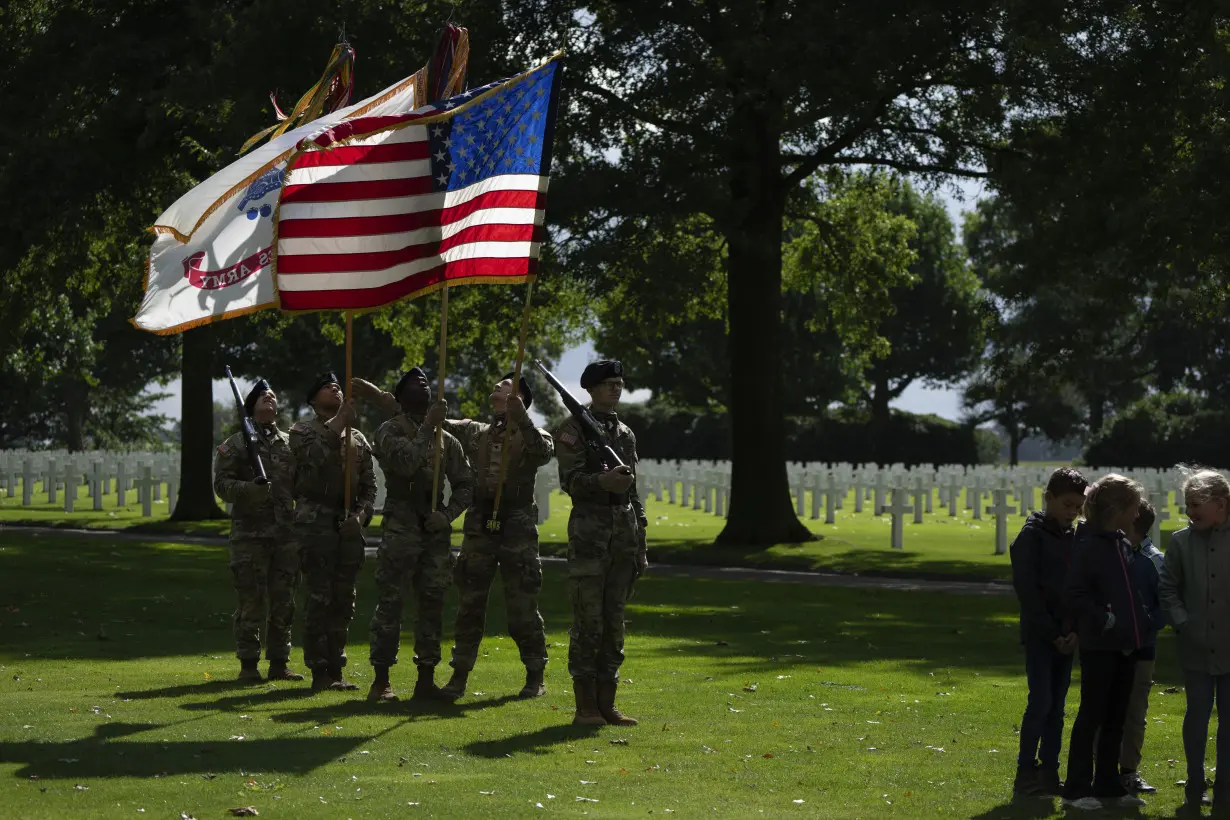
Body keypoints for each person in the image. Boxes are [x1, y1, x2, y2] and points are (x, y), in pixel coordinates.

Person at [438, 373, 554, 701]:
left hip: (516, 524)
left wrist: (523, 419)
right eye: (497, 385)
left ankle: (535, 674)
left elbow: (543, 452)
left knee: (522, 603)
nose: (496, 387)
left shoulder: (536, 433)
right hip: (480, 522)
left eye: (505, 385)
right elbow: (440, 423)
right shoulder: (478, 432)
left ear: (520, 398)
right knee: (470, 601)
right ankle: (459, 675)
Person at [367, 368, 474, 702]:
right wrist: (428, 425)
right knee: (391, 604)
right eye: (414, 383)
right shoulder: (389, 430)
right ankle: (381, 680)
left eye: (426, 382)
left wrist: (447, 516)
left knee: (432, 604)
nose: (422, 384)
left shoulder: (449, 440)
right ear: (399, 397)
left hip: (434, 529)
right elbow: (405, 464)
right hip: (401, 524)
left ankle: (425, 678)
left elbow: (466, 485)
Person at [553, 360, 648, 726]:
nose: (615, 389)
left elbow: (634, 490)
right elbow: (570, 480)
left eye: (619, 383)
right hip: (590, 533)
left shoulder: (624, 433)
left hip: (623, 535)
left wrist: (641, 541)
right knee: (588, 621)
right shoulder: (574, 428)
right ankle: (586, 706)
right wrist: (602, 483)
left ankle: (608, 702)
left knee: (614, 622)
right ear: (591, 389)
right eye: (607, 383)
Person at [1061, 474, 1150, 811]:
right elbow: (1074, 594)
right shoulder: (1089, 546)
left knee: (1116, 716)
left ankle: (1107, 783)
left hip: (1126, 644)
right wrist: (1104, 618)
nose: (1138, 512)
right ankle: (1076, 788)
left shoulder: (1122, 543)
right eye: (1134, 506)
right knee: (1092, 715)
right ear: (1117, 509)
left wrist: (1140, 621)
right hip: (1100, 645)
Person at [289, 373, 377, 692]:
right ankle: (319, 669)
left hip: (348, 524)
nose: (335, 389)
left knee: (343, 599)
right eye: (327, 386)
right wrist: (339, 421)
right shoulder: (301, 431)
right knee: (318, 597)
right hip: (315, 521)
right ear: (314, 399)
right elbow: (311, 459)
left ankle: (337, 667)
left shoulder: (359, 438)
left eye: (338, 386)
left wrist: (362, 514)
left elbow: (369, 484)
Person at [212, 378, 302, 683]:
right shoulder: (236, 444)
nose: (270, 399)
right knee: (251, 601)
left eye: (274, 396)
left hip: (285, 535)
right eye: (264, 396)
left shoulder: (290, 443)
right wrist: (251, 489)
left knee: (283, 601)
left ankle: (280, 661)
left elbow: (302, 485)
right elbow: (221, 485)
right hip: (249, 535)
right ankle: (248, 664)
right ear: (251, 406)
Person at [1010, 467, 1088, 797]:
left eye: (1078, 507)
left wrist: (1075, 631)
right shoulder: (1031, 536)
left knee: (1057, 707)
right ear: (1049, 498)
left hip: (1067, 634)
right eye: (1067, 504)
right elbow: (1028, 590)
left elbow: (1081, 587)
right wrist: (1052, 632)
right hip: (1042, 633)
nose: (1072, 512)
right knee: (1040, 701)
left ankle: (1049, 770)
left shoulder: (1076, 537)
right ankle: (1026, 770)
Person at [1159, 468, 1230, 812]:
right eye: (1187, 505)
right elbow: (1168, 586)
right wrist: (1182, 622)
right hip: (1196, 645)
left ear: (1220, 504)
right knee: (1197, 715)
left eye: (1196, 505)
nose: (1190, 512)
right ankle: (1195, 781)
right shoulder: (1181, 542)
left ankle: (1226, 785)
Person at [1118, 499, 1164, 795]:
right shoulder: (1112, 553)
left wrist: (1145, 623)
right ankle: (1103, 767)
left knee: (1135, 712)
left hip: (1142, 648)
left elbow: (1166, 604)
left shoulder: (1154, 560)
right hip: (1110, 645)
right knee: (1107, 708)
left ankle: (1129, 770)